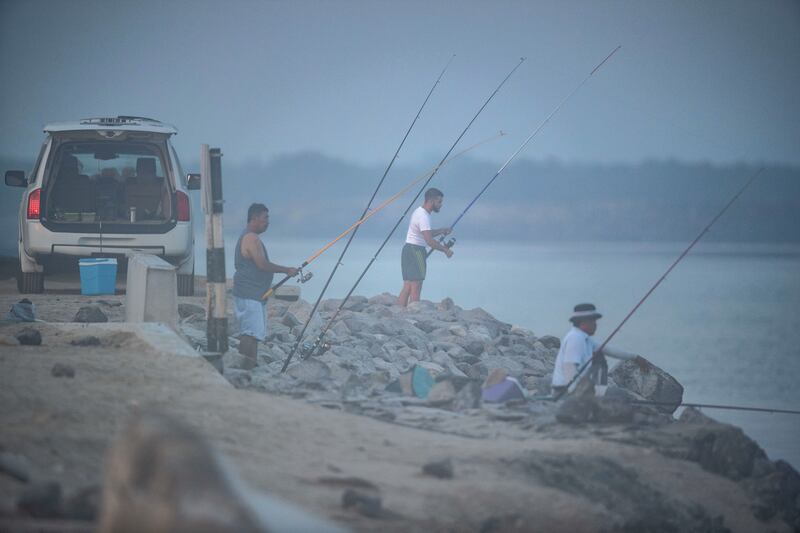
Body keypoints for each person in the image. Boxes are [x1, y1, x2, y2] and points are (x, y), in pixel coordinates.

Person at [233, 203, 298, 366]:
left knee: (251, 333)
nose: (267, 222)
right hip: (250, 294)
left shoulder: (249, 236)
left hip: (252, 294)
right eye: (265, 218)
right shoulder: (251, 238)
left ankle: (248, 366)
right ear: (254, 218)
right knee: (250, 333)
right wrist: (286, 270)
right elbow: (262, 264)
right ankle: (246, 367)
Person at [551, 303, 643, 396]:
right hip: (565, 390)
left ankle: (599, 396)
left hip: (574, 388)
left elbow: (608, 350)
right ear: (583, 322)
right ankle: (598, 399)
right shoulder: (575, 338)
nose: (596, 325)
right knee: (619, 395)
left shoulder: (585, 338)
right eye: (593, 322)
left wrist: (634, 357)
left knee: (599, 356)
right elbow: (569, 367)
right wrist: (575, 392)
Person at [397, 188, 453, 307]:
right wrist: (445, 250)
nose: (441, 205)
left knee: (408, 285)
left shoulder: (419, 212)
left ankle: (399, 313)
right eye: (439, 202)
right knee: (416, 285)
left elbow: (425, 232)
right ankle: (413, 314)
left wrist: (442, 230)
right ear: (431, 201)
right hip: (416, 251)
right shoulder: (424, 216)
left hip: (408, 249)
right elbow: (429, 241)